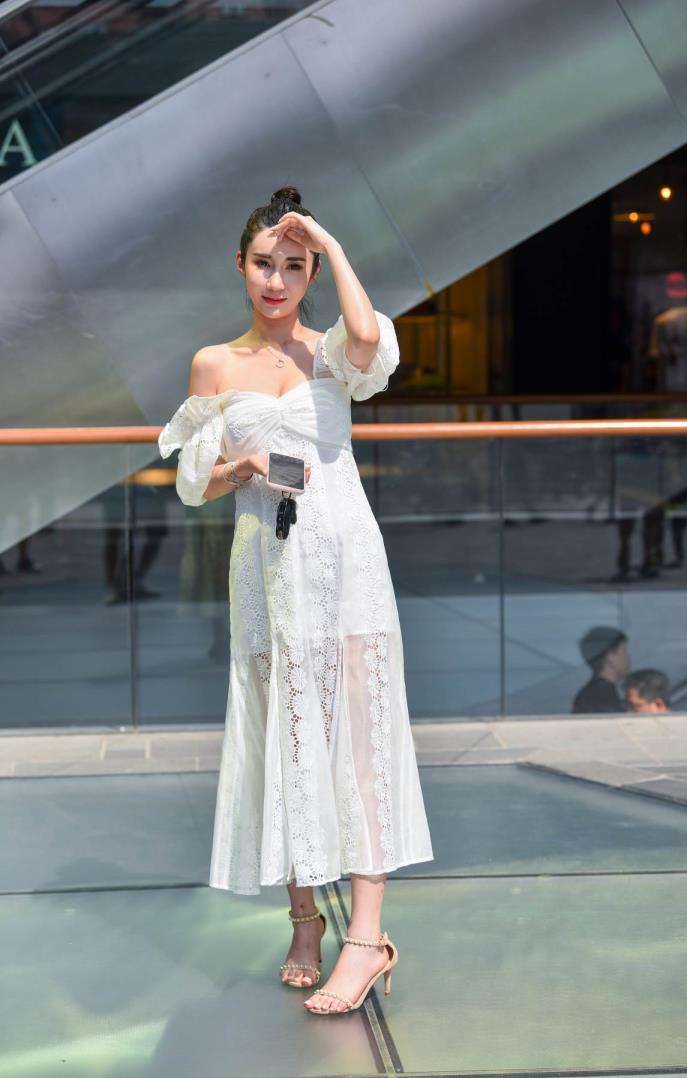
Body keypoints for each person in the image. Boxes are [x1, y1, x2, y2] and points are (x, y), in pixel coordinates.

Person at [158, 186, 433, 1015]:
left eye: (294, 265)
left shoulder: (332, 352)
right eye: (263, 263)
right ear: (240, 267)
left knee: (362, 738)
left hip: (346, 556)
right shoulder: (214, 364)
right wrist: (242, 467)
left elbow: (369, 339)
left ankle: (367, 941)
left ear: (312, 273)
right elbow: (192, 483)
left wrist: (333, 243)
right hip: (266, 564)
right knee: (290, 739)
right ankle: (305, 920)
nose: (276, 280)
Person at [571, 626, 629, 714]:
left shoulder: (593, 694)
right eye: (624, 652)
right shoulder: (601, 697)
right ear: (611, 658)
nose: (628, 658)